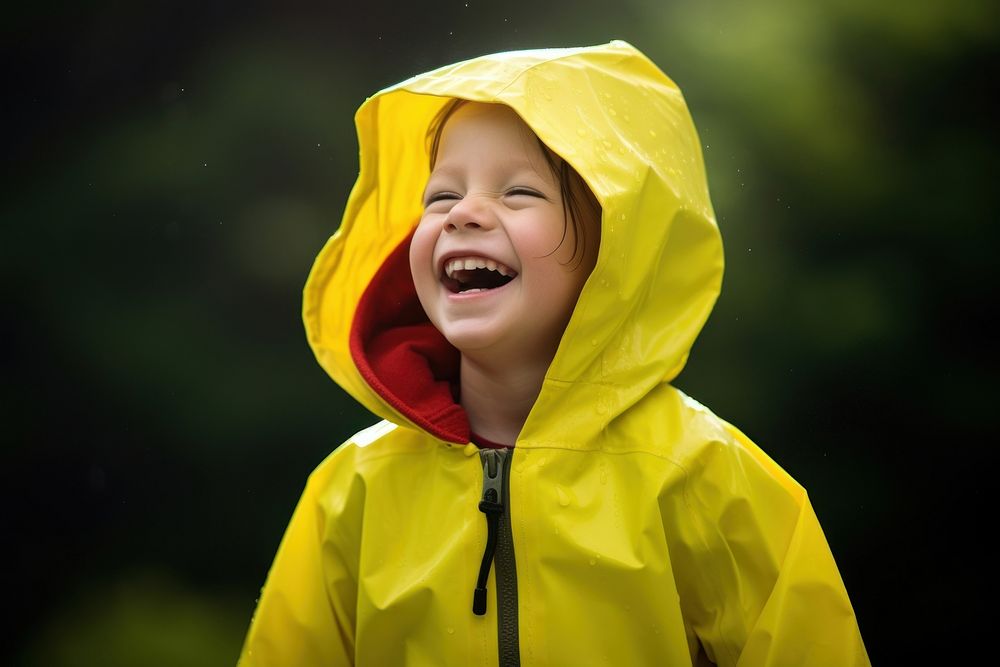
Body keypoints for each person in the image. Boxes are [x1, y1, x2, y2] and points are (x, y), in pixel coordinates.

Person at [238, 41, 870, 666]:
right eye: (440, 197)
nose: (465, 215)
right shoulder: (354, 489)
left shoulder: (701, 475)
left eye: (518, 193)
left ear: (617, 247)